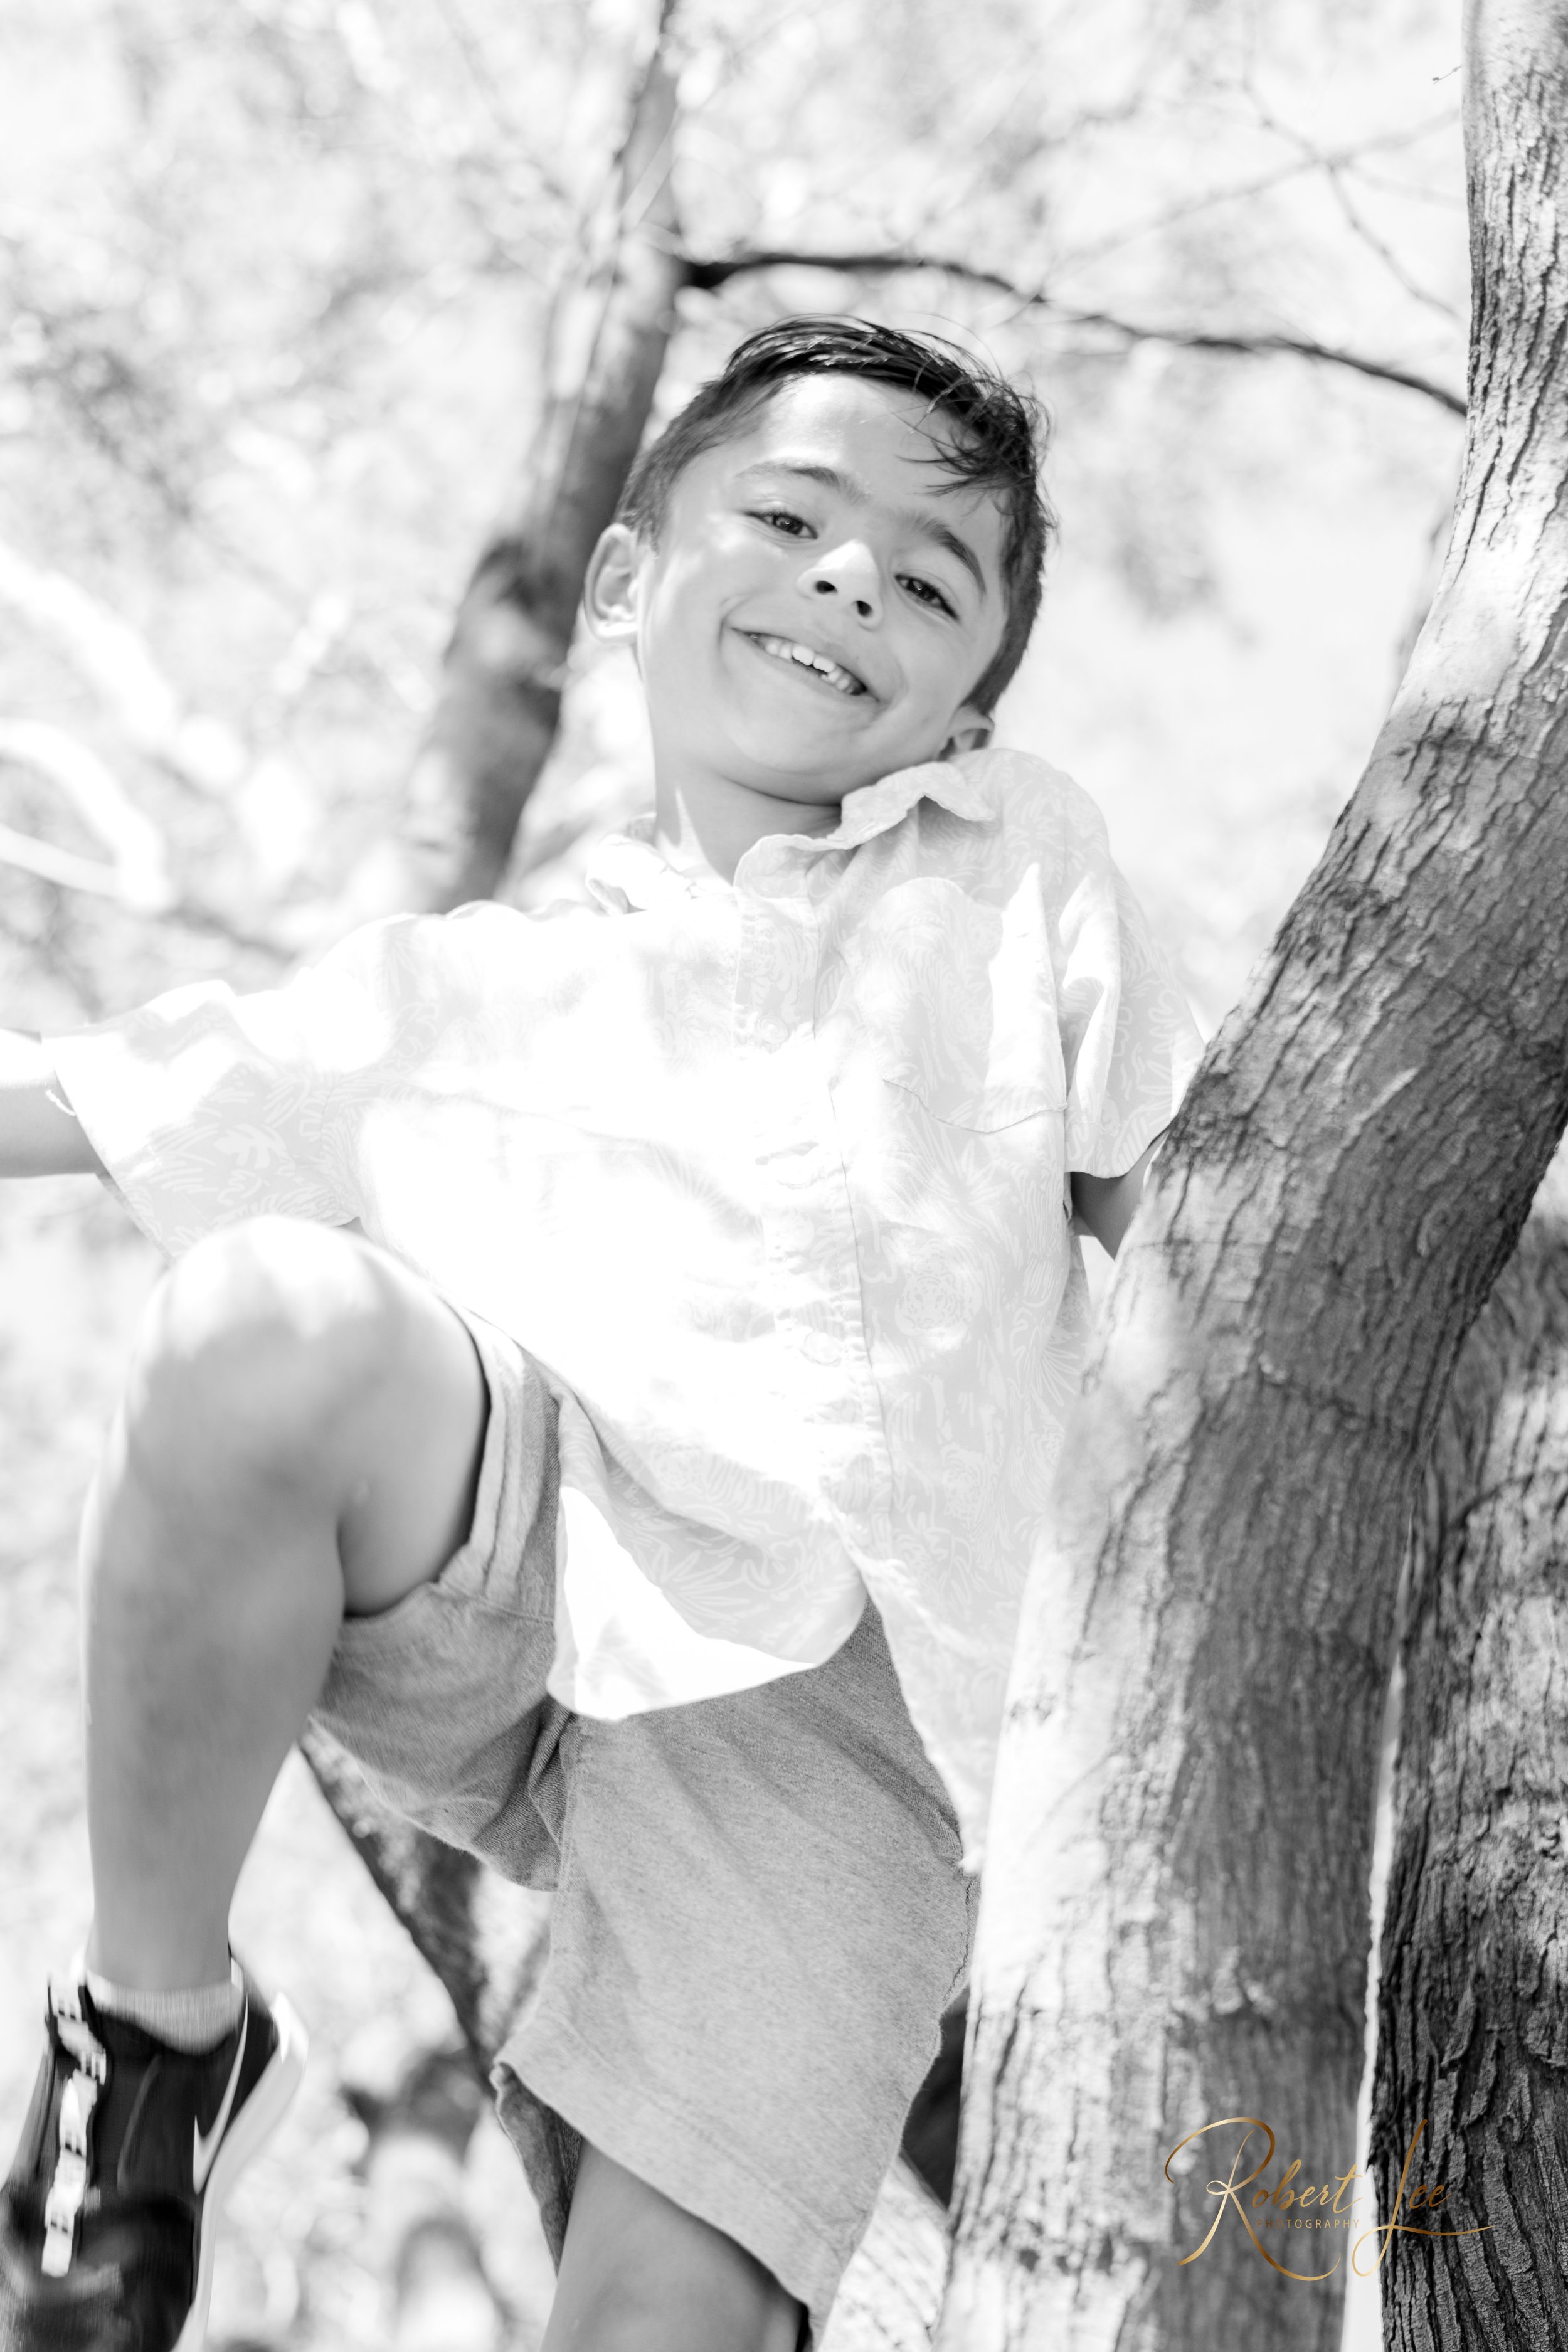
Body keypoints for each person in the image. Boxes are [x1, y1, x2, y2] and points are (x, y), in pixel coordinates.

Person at [0, 316, 1201, 2352]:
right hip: (534, 1559)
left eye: (930, 579)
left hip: (853, 1699)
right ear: (633, 581)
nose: (852, 580)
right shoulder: (482, 982)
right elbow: (110, 1089)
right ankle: (153, 2035)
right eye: (795, 518)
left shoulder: (1013, 866)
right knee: (261, 1320)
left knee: (661, 2320)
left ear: (966, 711)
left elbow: (1179, 1206)